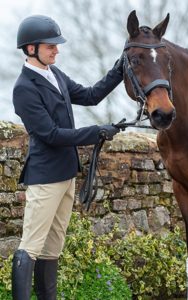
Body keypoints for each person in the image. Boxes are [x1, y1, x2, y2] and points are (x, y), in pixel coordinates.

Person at [12, 15, 123, 299]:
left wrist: (120, 70)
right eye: (50, 46)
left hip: (66, 174)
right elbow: (50, 134)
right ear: (30, 49)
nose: (56, 50)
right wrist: (96, 131)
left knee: (53, 248)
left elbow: (90, 96)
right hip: (45, 176)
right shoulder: (24, 89)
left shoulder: (56, 75)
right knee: (31, 246)